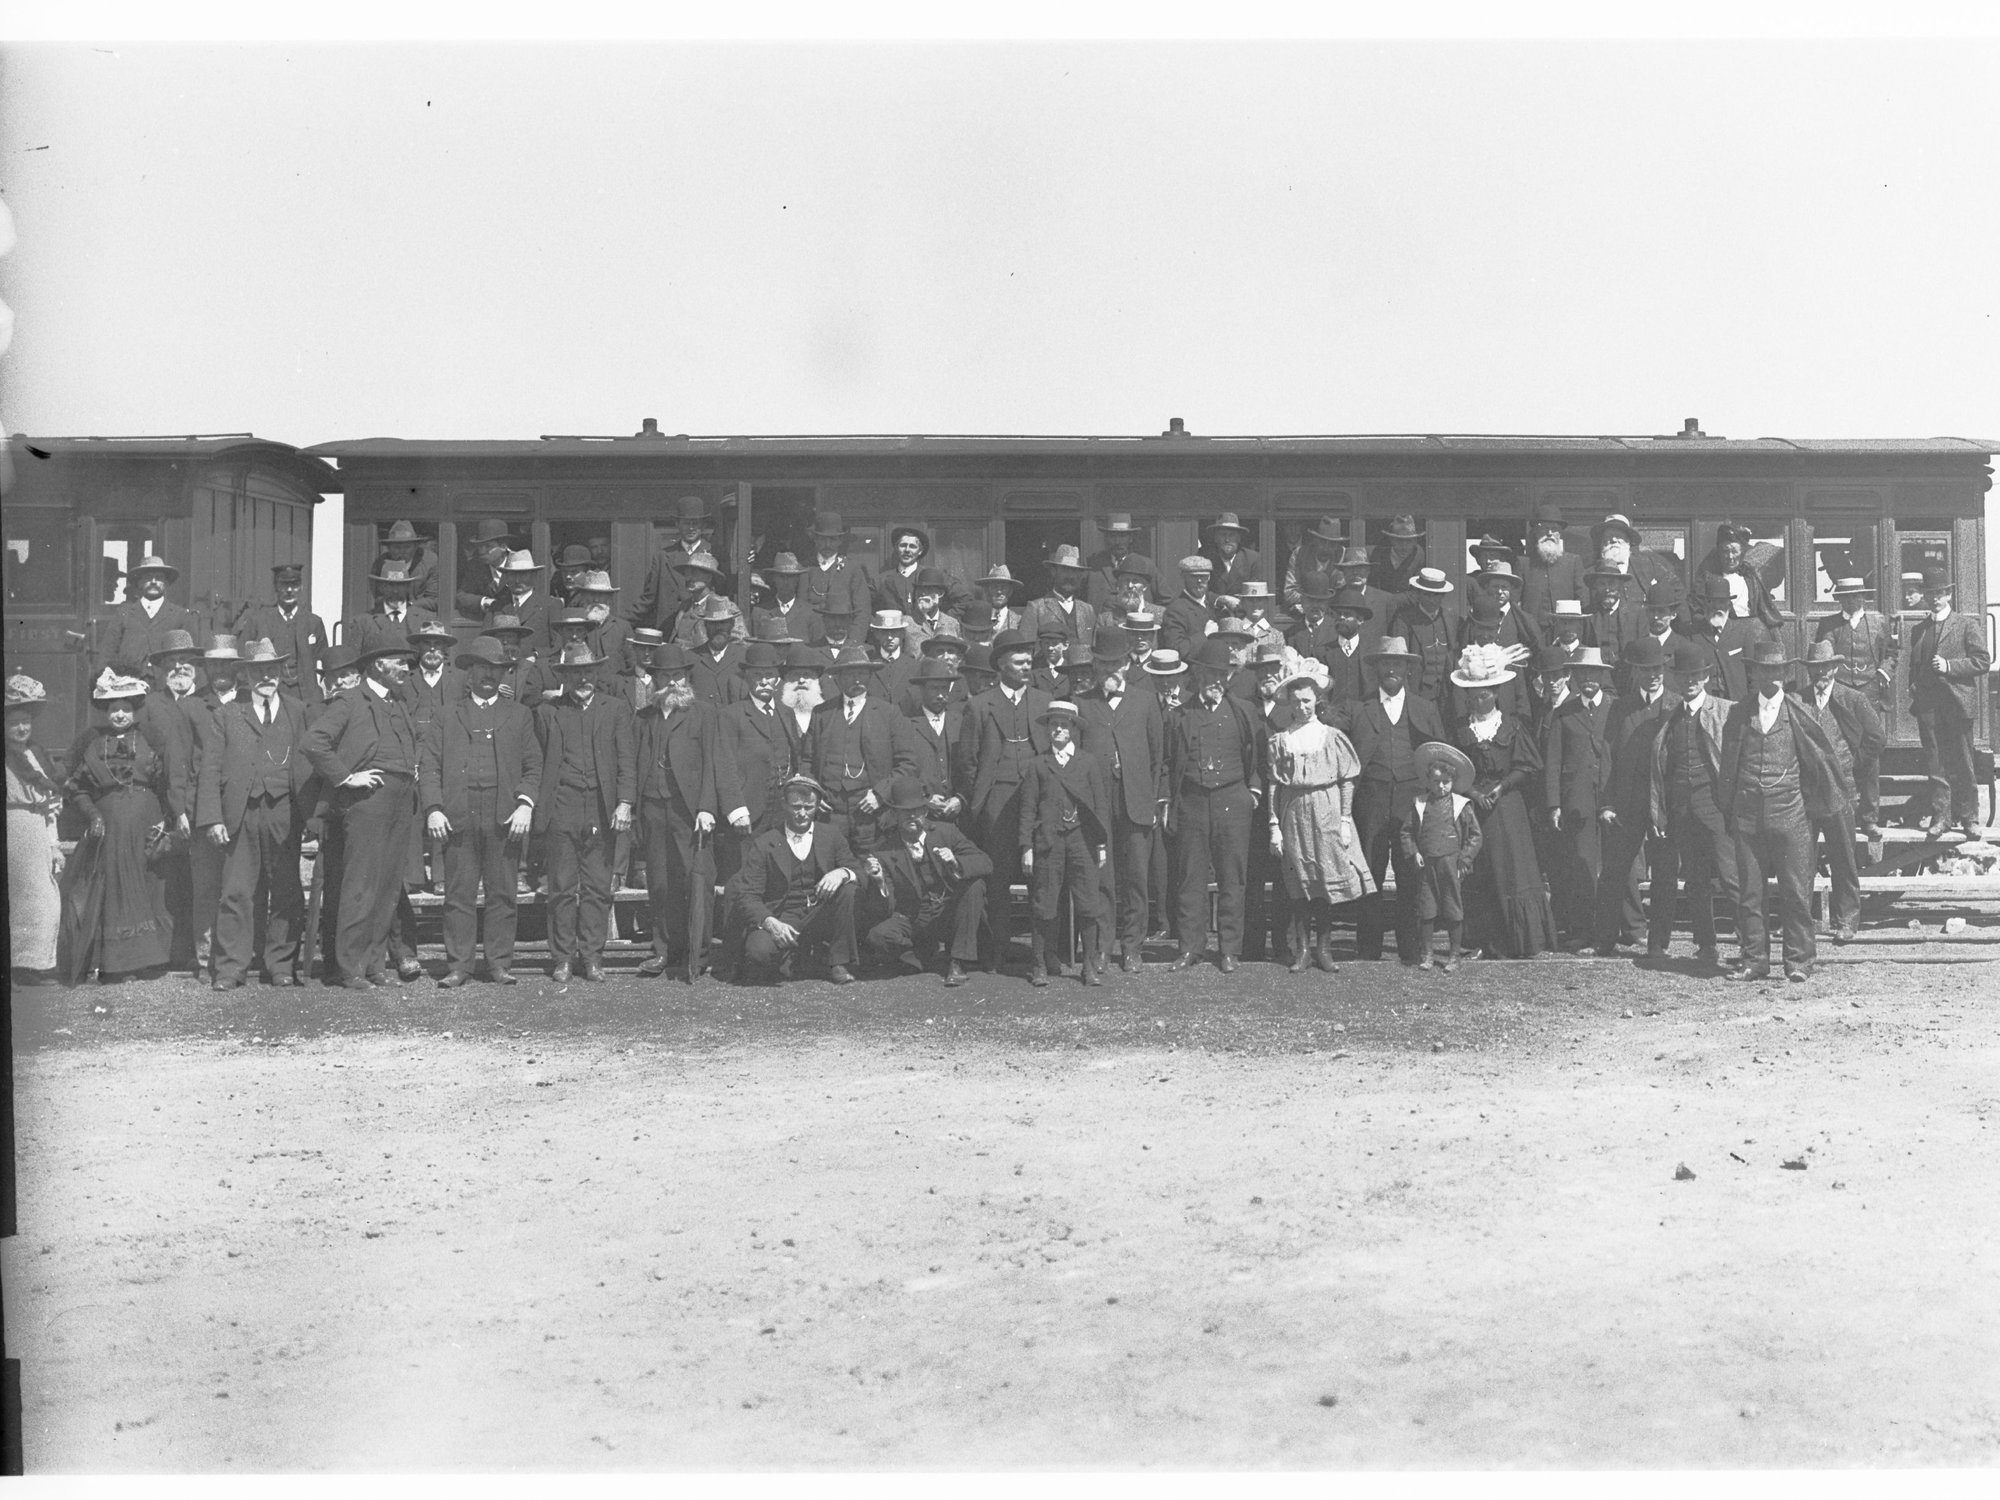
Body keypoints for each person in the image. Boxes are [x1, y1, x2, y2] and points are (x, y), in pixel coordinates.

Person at [1717, 640, 1850, 982]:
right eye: (1766, 670)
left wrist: (1811, 808)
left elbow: (1819, 763)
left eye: (1778, 670)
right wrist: (1730, 811)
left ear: (1784, 673)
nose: (1773, 677)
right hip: (1747, 817)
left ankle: (1799, 962)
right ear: (1755, 672)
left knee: (1795, 891)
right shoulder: (1738, 713)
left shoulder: (1798, 712)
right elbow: (1728, 767)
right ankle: (1754, 961)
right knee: (1751, 893)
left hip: (1790, 816)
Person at [300, 632, 422, 988]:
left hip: (401, 801)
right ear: (378, 665)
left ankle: (374, 966)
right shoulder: (350, 700)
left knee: (387, 887)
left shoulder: (398, 703)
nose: (406, 668)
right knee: (361, 886)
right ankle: (349, 967)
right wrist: (346, 778)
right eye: (400, 662)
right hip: (368, 803)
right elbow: (313, 743)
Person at [420, 635, 542, 987]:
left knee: (502, 892)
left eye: (495, 669)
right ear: (469, 673)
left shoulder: (519, 715)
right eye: (481, 668)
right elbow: (429, 766)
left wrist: (524, 804)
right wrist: (433, 808)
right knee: (459, 893)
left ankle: (499, 963)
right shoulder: (447, 715)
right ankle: (459, 965)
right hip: (458, 813)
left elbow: (534, 766)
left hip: (503, 816)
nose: (488, 675)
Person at [197, 639, 315, 989]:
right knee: (236, 891)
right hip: (241, 813)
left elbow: (308, 765)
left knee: (286, 890)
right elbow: (210, 769)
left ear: (280, 672)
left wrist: (311, 817)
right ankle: (232, 967)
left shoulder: (297, 710)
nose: (266, 676)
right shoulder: (227, 714)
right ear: (246, 675)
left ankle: (280, 965)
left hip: (285, 812)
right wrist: (213, 818)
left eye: (272, 669)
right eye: (259, 670)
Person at [1336, 635, 1447, 965]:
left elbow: (1439, 755)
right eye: (1386, 663)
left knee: (1410, 873)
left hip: (1410, 802)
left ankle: (1409, 948)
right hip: (1371, 798)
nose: (1391, 670)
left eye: (1397, 664)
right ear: (1376, 669)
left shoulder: (1425, 709)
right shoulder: (1359, 708)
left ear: (1408, 669)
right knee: (1369, 871)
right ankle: (1368, 948)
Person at [63, 669, 180, 980]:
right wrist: (94, 816)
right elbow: (77, 788)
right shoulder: (92, 743)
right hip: (110, 828)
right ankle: (117, 964)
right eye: (113, 709)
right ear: (105, 711)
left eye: (125, 709)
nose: (119, 715)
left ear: (134, 710)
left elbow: (166, 783)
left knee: (148, 886)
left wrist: (165, 821)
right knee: (116, 889)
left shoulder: (150, 739)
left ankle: (150, 961)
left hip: (146, 822)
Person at [532, 640, 637, 982]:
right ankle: (562, 957)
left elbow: (626, 761)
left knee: (596, 886)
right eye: (576, 673)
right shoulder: (548, 713)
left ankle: (592, 955)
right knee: (562, 887)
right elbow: (537, 763)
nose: (583, 679)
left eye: (588, 672)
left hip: (601, 809)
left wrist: (624, 802)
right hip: (562, 806)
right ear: (565, 676)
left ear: (597, 672)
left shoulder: (616, 709)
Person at [1449, 643, 1559, 960]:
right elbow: (1451, 768)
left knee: (1513, 868)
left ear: (1495, 693)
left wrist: (1501, 787)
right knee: (1481, 871)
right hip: (1473, 808)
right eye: (1472, 694)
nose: (1477, 699)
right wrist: (1472, 793)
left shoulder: (1512, 726)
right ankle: (1486, 941)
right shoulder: (1459, 729)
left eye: (1483, 693)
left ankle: (1521, 941)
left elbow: (1528, 766)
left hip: (1507, 806)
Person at [1164, 641, 1265, 973]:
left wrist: (1252, 789)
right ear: (1197, 674)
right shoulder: (1179, 715)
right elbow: (1167, 762)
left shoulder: (1244, 711)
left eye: (1221, 675)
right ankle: (1190, 947)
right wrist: (1169, 800)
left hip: (1232, 800)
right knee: (1189, 877)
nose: (1215, 680)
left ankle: (1229, 949)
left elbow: (1258, 755)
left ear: (1229, 677)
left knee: (1232, 876)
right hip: (1192, 800)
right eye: (1209, 673)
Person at [1265, 656, 1370, 972]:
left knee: (1324, 883)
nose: (1303, 707)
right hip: (1293, 813)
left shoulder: (1332, 737)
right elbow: (1274, 784)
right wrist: (1274, 825)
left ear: (1317, 700)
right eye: (1297, 701)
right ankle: (1303, 950)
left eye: (1308, 701)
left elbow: (1346, 779)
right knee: (1299, 884)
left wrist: (1345, 819)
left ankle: (1325, 949)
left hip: (1326, 811)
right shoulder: (1282, 740)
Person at [963, 630, 1053, 969]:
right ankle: (997, 951)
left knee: (1039, 877)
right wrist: (984, 800)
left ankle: (1042, 954)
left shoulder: (1043, 702)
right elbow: (969, 762)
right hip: (996, 802)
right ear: (1001, 664)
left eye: (1029, 659)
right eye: (1019, 660)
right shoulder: (979, 705)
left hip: (1036, 801)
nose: (1027, 664)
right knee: (998, 878)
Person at [633, 644, 723, 980]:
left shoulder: (703, 714)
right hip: (653, 807)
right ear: (655, 679)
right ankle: (664, 950)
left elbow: (714, 764)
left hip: (690, 811)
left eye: (678, 675)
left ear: (686, 677)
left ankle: (698, 954)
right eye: (666, 676)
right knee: (660, 882)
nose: (673, 682)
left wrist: (707, 807)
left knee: (696, 879)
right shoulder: (644, 717)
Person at [1645, 645, 1737, 970]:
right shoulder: (1671, 718)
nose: (1690, 683)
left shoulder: (1724, 711)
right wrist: (1661, 810)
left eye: (1695, 676)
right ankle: (1706, 945)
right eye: (1684, 677)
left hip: (1716, 806)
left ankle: (1753, 948)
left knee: (1731, 876)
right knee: (1696, 880)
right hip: (1682, 808)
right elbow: (1661, 767)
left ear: (1706, 677)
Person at [1078, 640, 1167, 972]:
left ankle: (1132, 947)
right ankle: (1101, 947)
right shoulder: (1083, 704)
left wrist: (1155, 799)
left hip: (1137, 803)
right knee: (1102, 878)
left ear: (1127, 665)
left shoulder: (1145, 702)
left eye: (1114, 666)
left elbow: (1159, 757)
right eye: (1101, 666)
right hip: (1098, 805)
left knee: (1136, 879)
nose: (1108, 673)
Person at [858, 775, 992, 985]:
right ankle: (922, 953)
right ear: (894, 814)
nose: (912, 817)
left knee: (975, 885)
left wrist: (956, 863)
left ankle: (958, 961)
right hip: (914, 919)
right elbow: (887, 907)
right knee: (877, 936)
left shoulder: (946, 832)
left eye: (917, 811)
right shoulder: (884, 849)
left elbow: (985, 862)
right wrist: (879, 882)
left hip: (949, 915)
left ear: (926, 811)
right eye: (905, 812)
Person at [734, 774, 862, 985]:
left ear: (818, 806)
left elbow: (860, 873)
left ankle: (838, 962)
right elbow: (747, 896)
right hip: (784, 917)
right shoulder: (765, 843)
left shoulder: (831, 835)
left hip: (820, 914)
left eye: (809, 807)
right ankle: (803, 955)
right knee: (758, 952)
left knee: (848, 889)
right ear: (784, 805)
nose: (802, 814)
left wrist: (842, 873)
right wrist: (771, 923)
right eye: (796, 807)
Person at [1018, 700, 1113, 986]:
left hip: (1082, 842)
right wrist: (1026, 847)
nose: (1058, 729)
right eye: (1053, 724)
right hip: (1048, 844)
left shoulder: (1088, 762)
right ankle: (1039, 965)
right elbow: (1027, 809)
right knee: (1043, 905)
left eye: (1064, 724)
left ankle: (1089, 966)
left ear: (1073, 729)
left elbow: (1100, 807)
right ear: (1047, 729)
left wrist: (1101, 844)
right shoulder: (1037, 765)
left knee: (1088, 904)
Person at [1799, 639, 1884, 944]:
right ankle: (1801, 922)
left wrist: (1851, 767)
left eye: (1825, 667)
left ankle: (1846, 920)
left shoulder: (1853, 698)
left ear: (1834, 667)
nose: (1820, 673)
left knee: (1843, 858)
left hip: (1841, 792)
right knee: (1802, 859)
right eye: (1814, 668)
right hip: (1807, 794)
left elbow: (1876, 737)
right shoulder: (1798, 699)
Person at [1596, 636, 1673, 957]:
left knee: (1665, 874)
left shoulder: (1675, 704)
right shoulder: (1621, 707)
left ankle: (1658, 943)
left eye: (1657, 669)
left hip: (1663, 806)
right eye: (1646, 670)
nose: (1653, 675)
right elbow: (1609, 756)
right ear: (1636, 672)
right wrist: (1608, 802)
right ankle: (1604, 940)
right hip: (1627, 804)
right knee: (1615, 871)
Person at [1906, 567, 1989, 842]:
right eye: (1931, 594)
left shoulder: (1966, 624)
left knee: (1963, 761)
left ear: (1949, 594)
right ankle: (1942, 817)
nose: (1935, 599)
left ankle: (1969, 818)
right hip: (1928, 706)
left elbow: (1982, 661)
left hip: (1956, 704)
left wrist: (1950, 666)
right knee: (1935, 762)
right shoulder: (1919, 629)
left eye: (1940, 593)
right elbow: (1914, 665)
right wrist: (1914, 688)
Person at [1542, 645, 1616, 950]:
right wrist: (1554, 804)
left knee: (1611, 865)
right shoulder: (1564, 712)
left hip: (1610, 796)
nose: (1588, 679)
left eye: (1594, 673)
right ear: (1575, 676)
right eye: (1583, 673)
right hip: (1577, 799)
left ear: (1602, 675)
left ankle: (1612, 931)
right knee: (1582, 864)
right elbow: (1553, 762)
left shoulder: (1615, 707)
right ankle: (1584, 929)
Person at [1814, 577, 1898, 836]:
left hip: (1870, 693)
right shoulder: (1829, 624)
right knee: (1837, 750)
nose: (1852, 600)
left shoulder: (1878, 622)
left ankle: (1870, 818)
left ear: (1864, 598)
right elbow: (1823, 652)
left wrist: (1884, 672)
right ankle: (1841, 813)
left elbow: (1893, 652)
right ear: (1840, 599)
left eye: (1856, 596)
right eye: (1846, 596)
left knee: (1870, 754)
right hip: (1838, 694)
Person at [1400, 742, 1484, 972]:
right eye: (1436, 782)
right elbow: (1406, 831)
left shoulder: (1461, 805)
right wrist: (1414, 852)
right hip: (1428, 864)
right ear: (1428, 781)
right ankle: (1426, 955)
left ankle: (1454, 956)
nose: (1441, 787)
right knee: (1426, 909)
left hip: (1451, 864)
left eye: (1446, 782)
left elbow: (1475, 836)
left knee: (1453, 909)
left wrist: (1464, 860)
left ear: (1453, 782)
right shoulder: (1420, 804)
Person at [7, 675, 66, 984]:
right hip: (10, 827)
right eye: (15, 722)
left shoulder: (36, 754)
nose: (21, 728)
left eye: (26, 722)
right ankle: (17, 966)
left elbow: (50, 800)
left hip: (35, 827)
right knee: (16, 898)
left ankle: (38, 962)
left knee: (44, 897)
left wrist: (53, 842)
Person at [235, 561, 327, 708]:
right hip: (269, 694)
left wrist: (320, 690)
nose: (289, 590)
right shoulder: (259, 620)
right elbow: (241, 658)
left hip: (306, 697)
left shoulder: (313, 622)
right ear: (276, 587)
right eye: (284, 585)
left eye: (294, 585)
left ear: (301, 587)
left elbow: (325, 660)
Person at [97, 553, 206, 673]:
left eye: (159, 577)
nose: (153, 582)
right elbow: (107, 652)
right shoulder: (124, 613)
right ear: (139, 582)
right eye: (148, 577)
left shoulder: (181, 616)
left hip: (165, 684)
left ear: (166, 583)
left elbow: (190, 657)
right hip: (129, 683)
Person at [630, 496, 720, 632]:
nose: (691, 528)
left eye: (695, 523)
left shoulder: (714, 553)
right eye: (686, 523)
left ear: (702, 525)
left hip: (705, 631)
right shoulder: (663, 557)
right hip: (670, 632)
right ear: (677, 524)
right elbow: (648, 600)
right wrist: (618, 622)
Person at [904, 656, 970, 818]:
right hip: (922, 814)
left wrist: (960, 799)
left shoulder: (961, 722)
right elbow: (904, 770)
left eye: (944, 688)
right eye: (934, 688)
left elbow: (971, 767)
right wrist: (925, 799)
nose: (940, 695)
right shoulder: (907, 725)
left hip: (958, 814)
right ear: (922, 690)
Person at [1682, 574, 1763, 701]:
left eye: (1721, 602)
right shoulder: (1694, 635)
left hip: (1736, 708)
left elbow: (1754, 676)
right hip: (1705, 708)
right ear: (1704, 605)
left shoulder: (1742, 633)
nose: (1716, 607)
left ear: (1729, 605)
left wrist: (1749, 708)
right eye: (1711, 602)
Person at [1695, 522, 1785, 630]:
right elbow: (1696, 610)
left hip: (1750, 632)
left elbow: (1765, 611)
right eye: (1725, 551)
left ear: (1742, 552)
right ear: (1719, 552)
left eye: (1734, 551)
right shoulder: (1707, 579)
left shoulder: (1750, 576)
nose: (1730, 556)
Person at [1388, 568, 1458, 704]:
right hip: (1419, 690)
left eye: (1436, 595)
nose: (1432, 599)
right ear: (1418, 594)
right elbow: (1399, 658)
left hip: (1448, 690)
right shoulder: (1404, 619)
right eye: (1427, 594)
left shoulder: (1451, 617)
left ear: (1443, 595)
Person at [801, 512, 877, 624]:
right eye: (822, 539)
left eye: (832, 539)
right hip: (812, 638)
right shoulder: (804, 569)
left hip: (843, 636)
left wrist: (853, 641)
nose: (827, 544)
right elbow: (799, 611)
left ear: (840, 540)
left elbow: (862, 612)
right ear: (815, 539)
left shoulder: (853, 570)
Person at [1020, 544, 1097, 651]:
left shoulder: (1088, 610)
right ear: (1053, 572)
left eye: (1075, 571)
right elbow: (1026, 649)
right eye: (1065, 570)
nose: (1070, 576)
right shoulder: (1036, 608)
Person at [1521, 505, 1588, 621]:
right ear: (1536, 532)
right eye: (1544, 528)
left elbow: (1583, 600)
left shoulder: (1573, 562)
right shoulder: (1524, 564)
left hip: (1564, 630)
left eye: (1554, 529)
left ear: (1560, 534)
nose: (1550, 533)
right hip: (1532, 633)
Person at [1280, 517, 1349, 616]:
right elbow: (1289, 593)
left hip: (1333, 616)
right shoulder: (1299, 554)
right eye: (1322, 542)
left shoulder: (1343, 555)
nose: (1326, 548)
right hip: (1303, 615)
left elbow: (1344, 595)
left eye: (1332, 544)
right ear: (1315, 540)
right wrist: (1312, 604)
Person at [372, 520, 440, 615]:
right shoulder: (381, 563)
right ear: (389, 548)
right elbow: (376, 597)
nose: (402, 551)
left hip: (421, 615)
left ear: (416, 546)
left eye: (407, 547)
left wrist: (408, 605)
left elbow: (435, 599)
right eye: (397, 547)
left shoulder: (430, 561)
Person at [1202, 513, 1262, 614]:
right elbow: (1200, 591)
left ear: (1239, 538)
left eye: (1231, 535)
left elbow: (1256, 593)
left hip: (1243, 616)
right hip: (1212, 617)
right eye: (1223, 535)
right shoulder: (1205, 559)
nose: (1227, 540)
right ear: (1216, 538)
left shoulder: (1252, 558)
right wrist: (1220, 599)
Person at [488, 550, 550, 645]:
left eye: (523, 574)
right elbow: (485, 641)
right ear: (506, 577)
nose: (517, 580)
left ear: (534, 576)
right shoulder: (496, 606)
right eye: (512, 575)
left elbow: (556, 645)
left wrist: (536, 655)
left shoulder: (549, 605)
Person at [751, 551, 814, 643]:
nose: (786, 582)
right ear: (774, 579)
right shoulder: (760, 612)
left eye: (790, 577)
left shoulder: (810, 613)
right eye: (781, 577)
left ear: (797, 580)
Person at [1161, 554, 1218, 655]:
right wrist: (1205, 635)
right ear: (1183, 577)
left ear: (1209, 578)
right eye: (1194, 577)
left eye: (1203, 576)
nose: (1199, 581)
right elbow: (1176, 649)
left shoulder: (1213, 603)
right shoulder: (1176, 610)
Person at [1368, 515, 1427, 595]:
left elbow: (1417, 592)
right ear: (1391, 540)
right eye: (1399, 540)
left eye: (1409, 541)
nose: (1404, 546)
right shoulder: (1377, 554)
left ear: (1415, 541)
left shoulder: (1419, 555)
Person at [977, 564, 1026, 637]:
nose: (999, 592)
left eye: (1003, 588)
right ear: (987, 591)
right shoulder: (978, 619)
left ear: (1010, 591)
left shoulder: (1019, 621)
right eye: (994, 587)